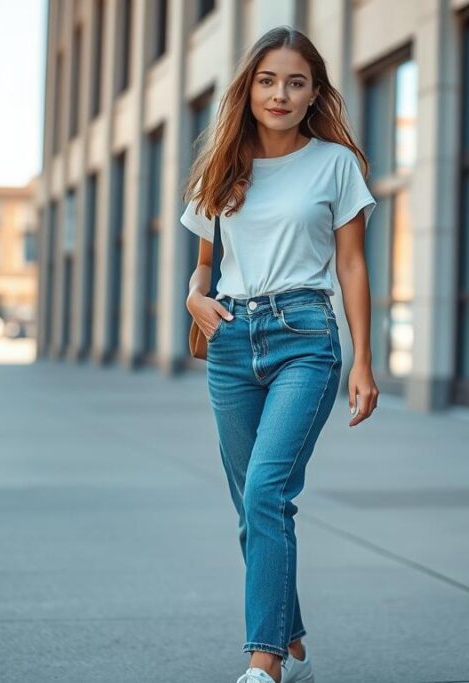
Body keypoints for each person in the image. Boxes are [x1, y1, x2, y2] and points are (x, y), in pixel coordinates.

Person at [181, 26, 380, 683]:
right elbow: (204, 265)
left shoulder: (335, 164)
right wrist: (194, 300)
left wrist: (363, 361)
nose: (281, 93)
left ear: (314, 92)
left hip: (305, 338)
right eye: (268, 80)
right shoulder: (221, 166)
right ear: (249, 87)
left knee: (267, 489)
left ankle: (262, 662)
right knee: (253, 509)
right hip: (233, 341)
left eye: (296, 82)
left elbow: (352, 266)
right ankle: (292, 647)